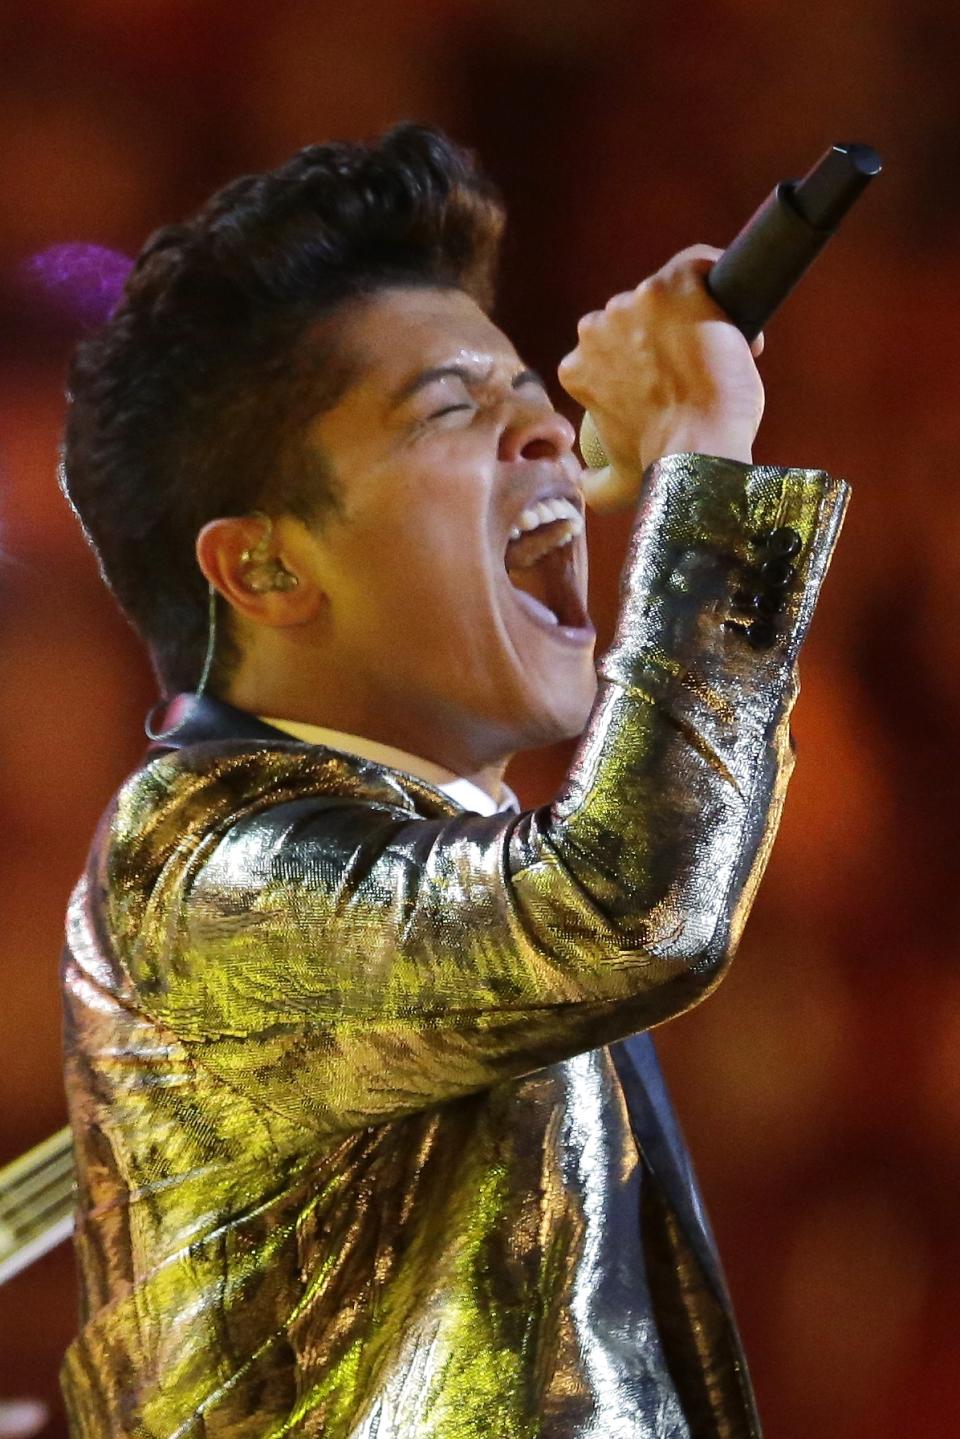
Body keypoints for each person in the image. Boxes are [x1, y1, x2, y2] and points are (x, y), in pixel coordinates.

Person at [58, 124, 847, 1438]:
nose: (547, 430)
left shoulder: (444, 855)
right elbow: (627, 904)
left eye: (532, 391)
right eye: (450, 409)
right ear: (263, 571)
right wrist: (707, 461)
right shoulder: (198, 876)